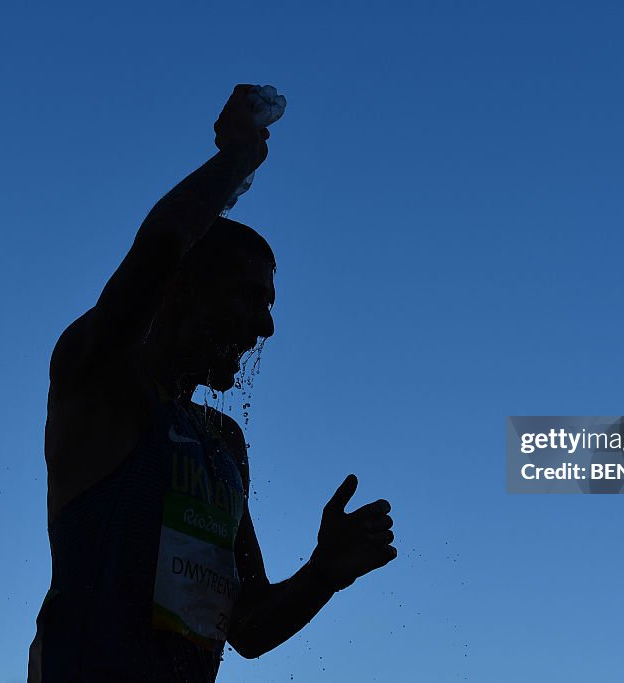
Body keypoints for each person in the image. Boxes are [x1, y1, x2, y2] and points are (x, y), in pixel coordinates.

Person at [27, 84, 397, 682]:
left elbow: (246, 628)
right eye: (250, 298)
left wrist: (325, 573)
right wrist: (237, 160)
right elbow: (158, 247)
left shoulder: (223, 444)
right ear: (182, 289)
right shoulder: (101, 380)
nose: (267, 325)